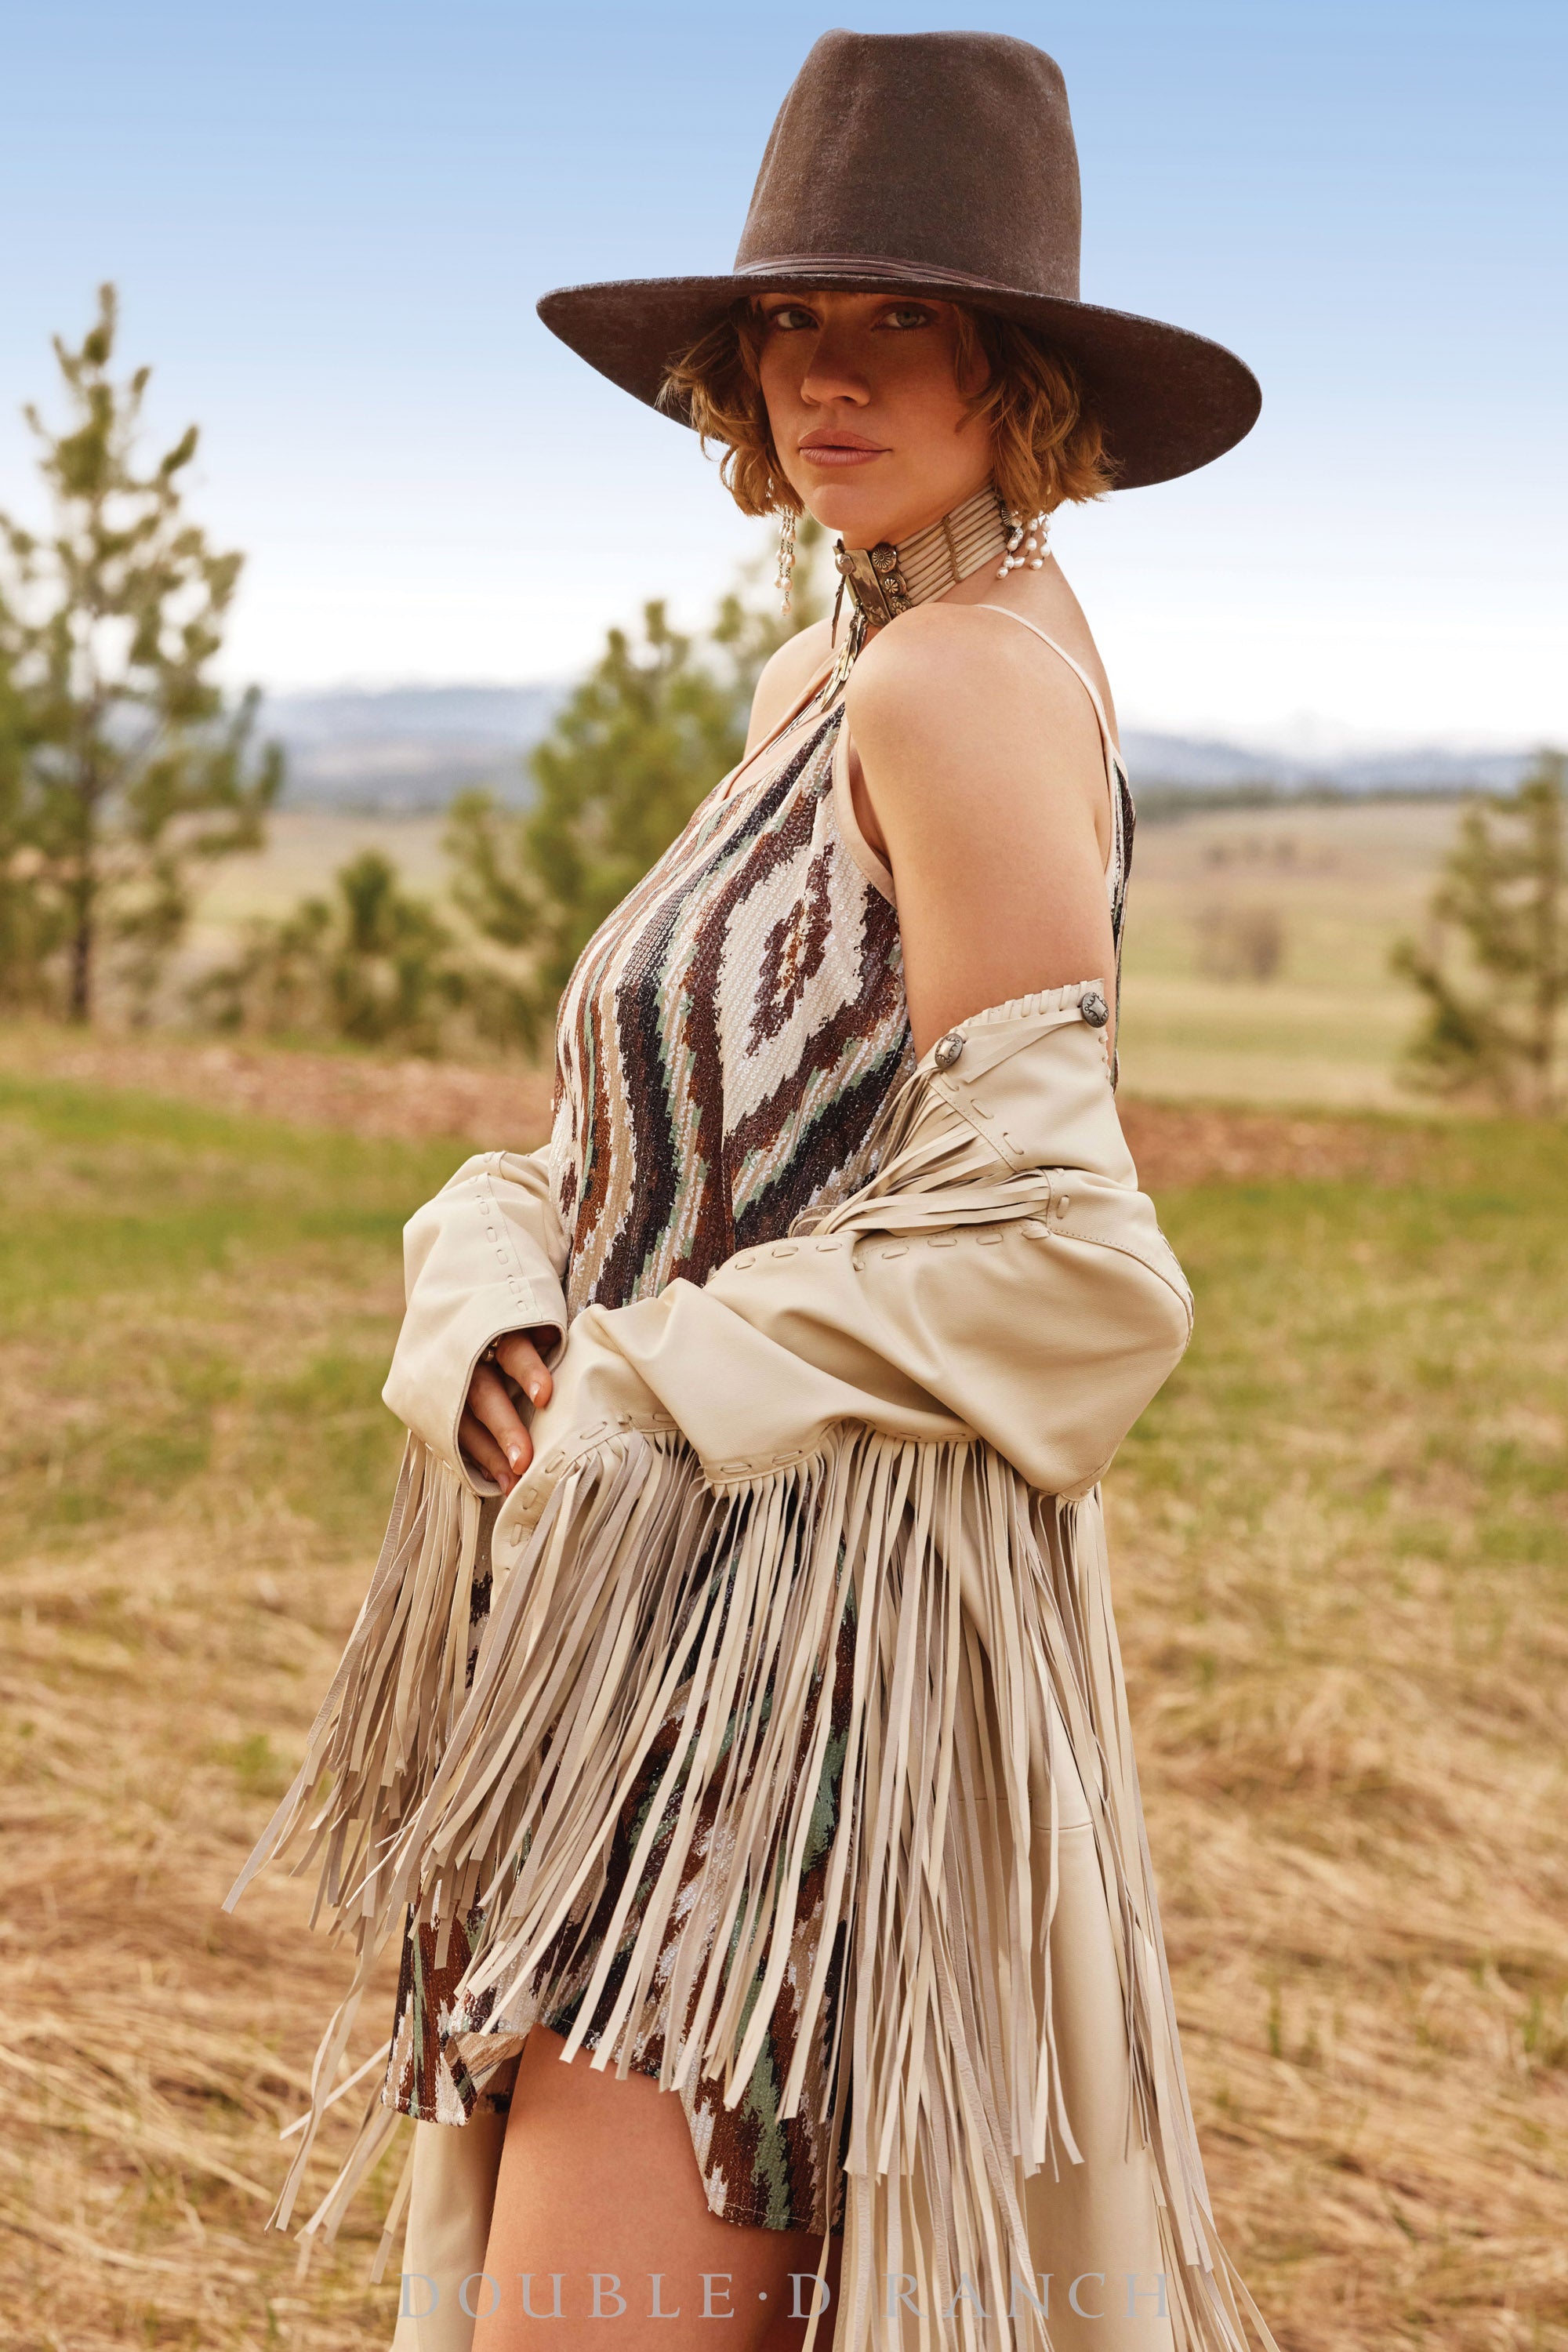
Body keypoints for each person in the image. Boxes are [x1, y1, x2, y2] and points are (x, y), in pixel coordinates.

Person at [228, 31, 1275, 2352]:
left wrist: (630, 1383)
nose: (829, 371)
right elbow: (695, 1134)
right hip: (668, 1618)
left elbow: (1061, 1257)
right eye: (794, 316)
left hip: (785, 1679)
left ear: (1023, 371)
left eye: (904, 317)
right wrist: (499, 1278)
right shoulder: (849, 660)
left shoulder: (955, 688)